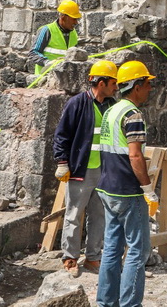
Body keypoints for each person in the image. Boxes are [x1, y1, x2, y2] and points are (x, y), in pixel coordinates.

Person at [96, 60, 158, 307]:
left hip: (107, 187)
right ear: (137, 85)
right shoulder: (133, 114)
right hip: (128, 192)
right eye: (147, 84)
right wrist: (148, 190)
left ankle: (105, 303)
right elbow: (134, 155)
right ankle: (130, 304)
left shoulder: (111, 110)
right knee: (137, 251)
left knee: (111, 248)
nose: (150, 89)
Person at [53, 60, 118, 276]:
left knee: (99, 214)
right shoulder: (77, 103)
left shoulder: (110, 105)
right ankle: (70, 257)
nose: (115, 87)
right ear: (100, 82)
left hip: (104, 170)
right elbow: (62, 135)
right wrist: (62, 162)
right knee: (74, 214)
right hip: (81, 169)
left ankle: (93, 258)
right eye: (112, 82)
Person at [29, 0, 81, 74]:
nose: (76, 22)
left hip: (64, 80)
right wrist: (47, 62)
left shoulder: (74, 33)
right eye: (74, 19)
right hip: (44, 79)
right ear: (63, 17)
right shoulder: (47, 30)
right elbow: (33, 53)